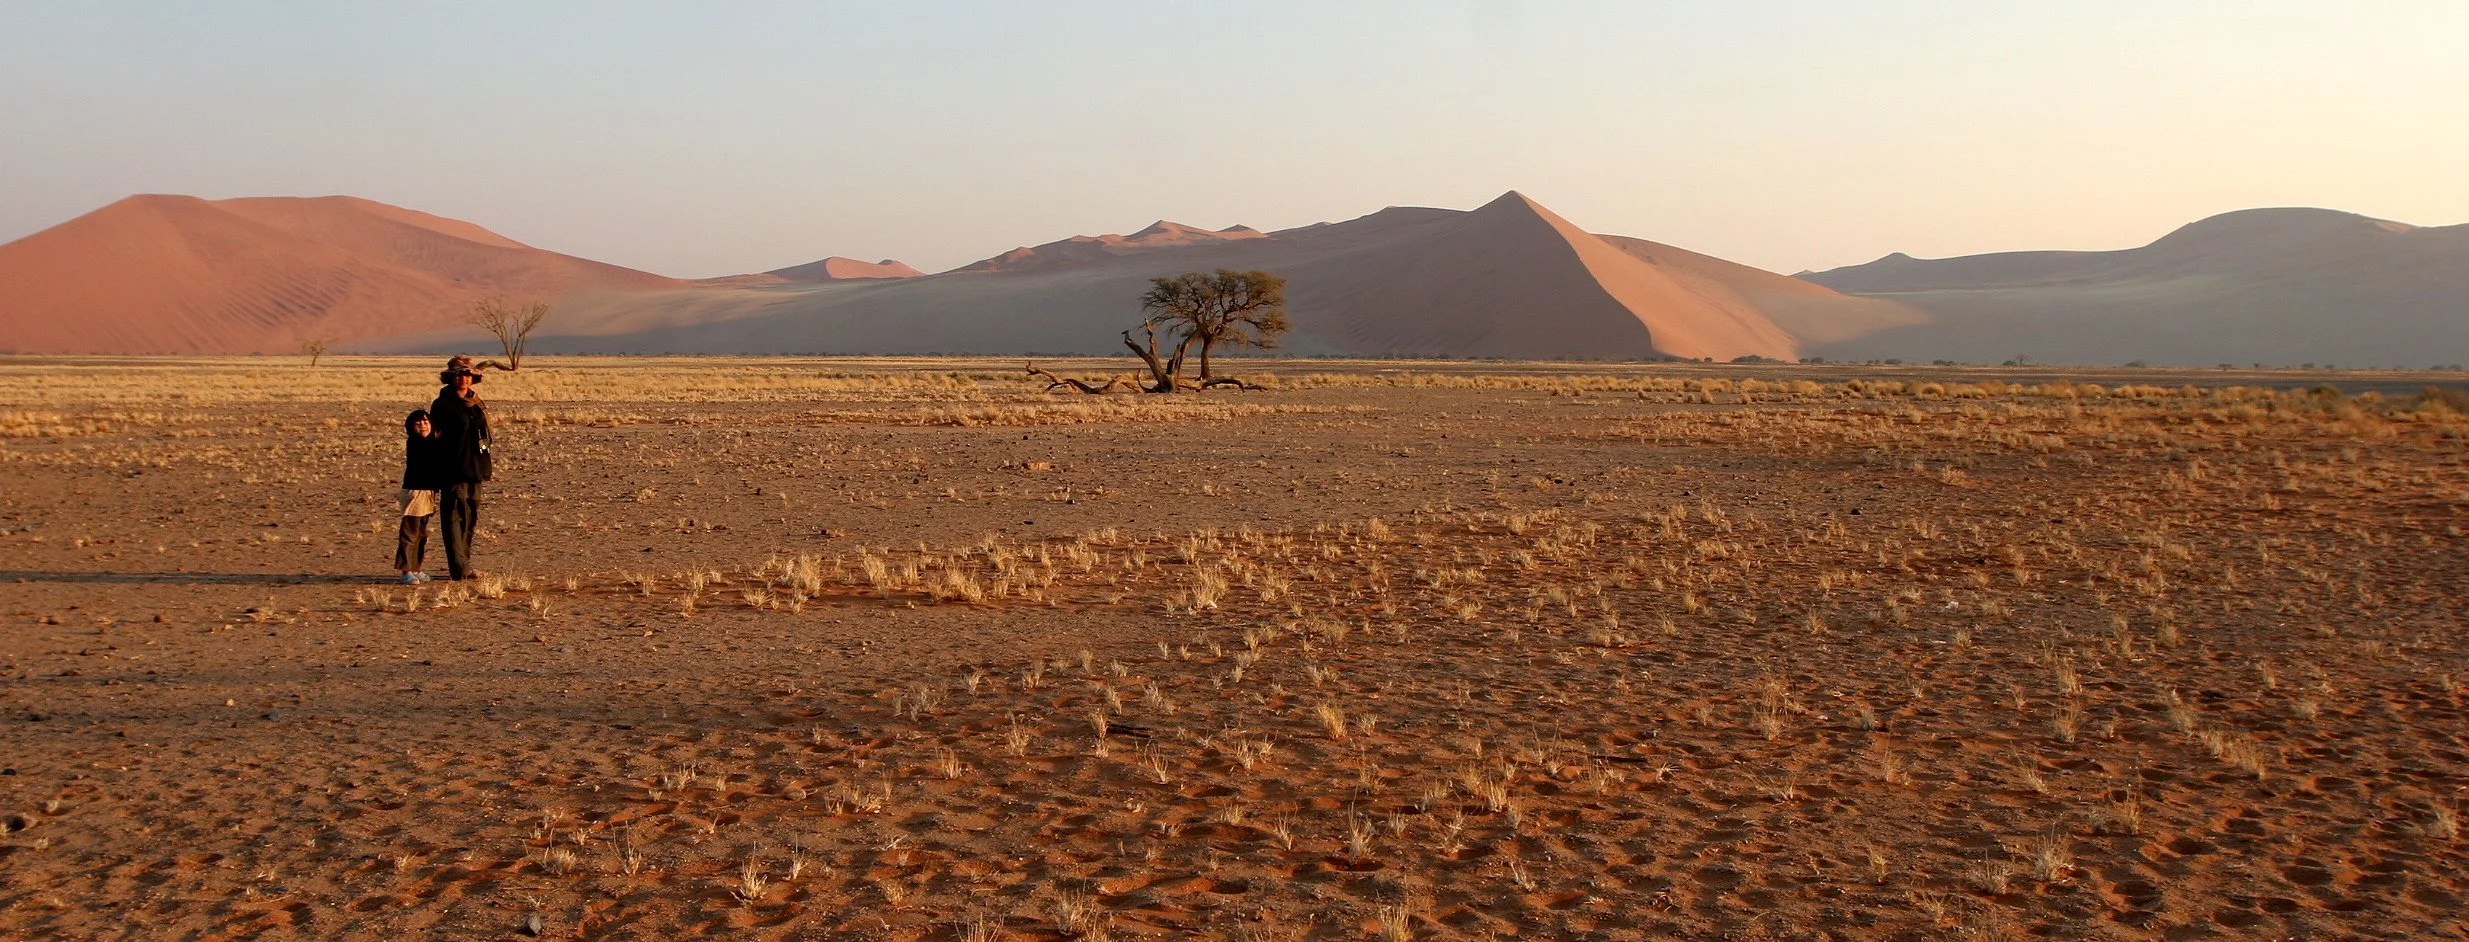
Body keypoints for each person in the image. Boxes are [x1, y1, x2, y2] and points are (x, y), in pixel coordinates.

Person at [428, 356, 493, 580]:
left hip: (476, 468)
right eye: (459, 375)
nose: (463, 379)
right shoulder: (442, 405)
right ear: (451, 378)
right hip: (453, 469)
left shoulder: (476, 402)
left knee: (470, 516)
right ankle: (458, 568)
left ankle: (464, 564)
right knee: (454, 516)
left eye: (467, 375)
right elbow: (435, 438)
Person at [395, 410, 446, 584]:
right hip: (415, 491)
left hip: (428, 492)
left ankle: (416, 568)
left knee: (421, 534)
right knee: (410, 532)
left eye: (425, 422)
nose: (422, 426)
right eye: (418, 423)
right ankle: (405, 570)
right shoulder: (416, 443)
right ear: (411, 427)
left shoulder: (431, 441)